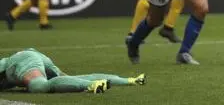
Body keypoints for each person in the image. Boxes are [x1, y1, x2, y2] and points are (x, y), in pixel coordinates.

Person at [0, 48, 145, 94]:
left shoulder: (5, 64)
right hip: (35, 56)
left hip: (23, 60)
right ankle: (131, 80)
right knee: (69, 78)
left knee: (38, 86)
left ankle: (92, 85)